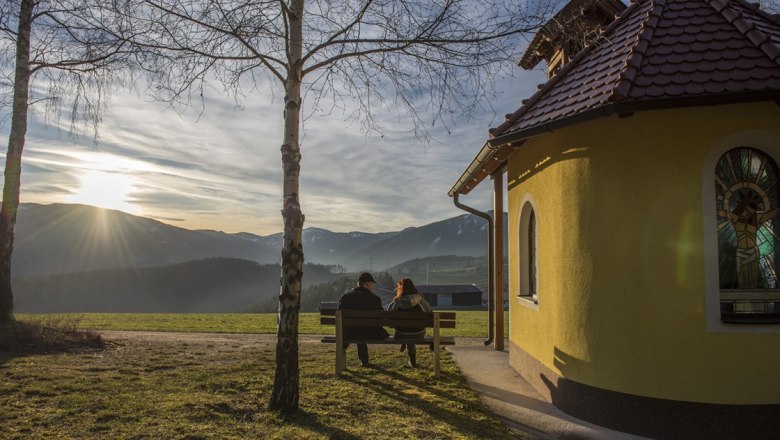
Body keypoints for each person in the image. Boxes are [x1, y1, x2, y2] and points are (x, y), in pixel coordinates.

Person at [337, 272, 389, 367]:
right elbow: (381, 318)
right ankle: (364, 360)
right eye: (372, 284)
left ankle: (363, 360)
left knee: (358, 329)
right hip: (371, 334)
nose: (372, 286)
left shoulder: (345, 297)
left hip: (350, 333)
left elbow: (339, 315)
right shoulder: (375, 299)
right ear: (368, 284)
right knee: (364, 329)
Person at [386, 278, 431, 367]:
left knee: (406, 332)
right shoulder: (421, 301)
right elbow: (430, 315)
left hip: (400, 334)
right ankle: (412, 360)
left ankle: (406, 345)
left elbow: (389, 322)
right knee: (411, 331)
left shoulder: (396, 302)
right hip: (419, 334)